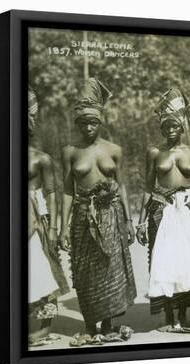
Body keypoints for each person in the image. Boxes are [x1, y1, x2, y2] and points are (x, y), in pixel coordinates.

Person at [58, 78, 137, 344]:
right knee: (86, 272)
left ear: (101, 122)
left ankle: (109, 322)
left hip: (111, 214)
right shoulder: (70, 152)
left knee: (110, 268)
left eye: (93, 122)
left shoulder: (114, 150)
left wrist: (127, 220)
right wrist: (61, 228)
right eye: (83, 123)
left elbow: (122, 186)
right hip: (82, 217)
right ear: (78, 124)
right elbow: (68, 190)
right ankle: (92, 326)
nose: (89, 127)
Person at [136, 88, 190, 329]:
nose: (171, 130)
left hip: (184, 208)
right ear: (162, 128)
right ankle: (168, 317)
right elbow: (147, 186)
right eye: (167, 127)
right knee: (162, 261)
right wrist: (141, 221)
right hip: (160, 210)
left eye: (175, 126)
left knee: (186, 261)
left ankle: (183, 315)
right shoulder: (155, 152)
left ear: (182, 127)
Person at [28, 87, 62, 345]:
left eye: (30, 119)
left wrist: (52, 228)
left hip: (35, 219)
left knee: (42, 267)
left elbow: (51, 193)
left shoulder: (41, 159)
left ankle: (44, 325)